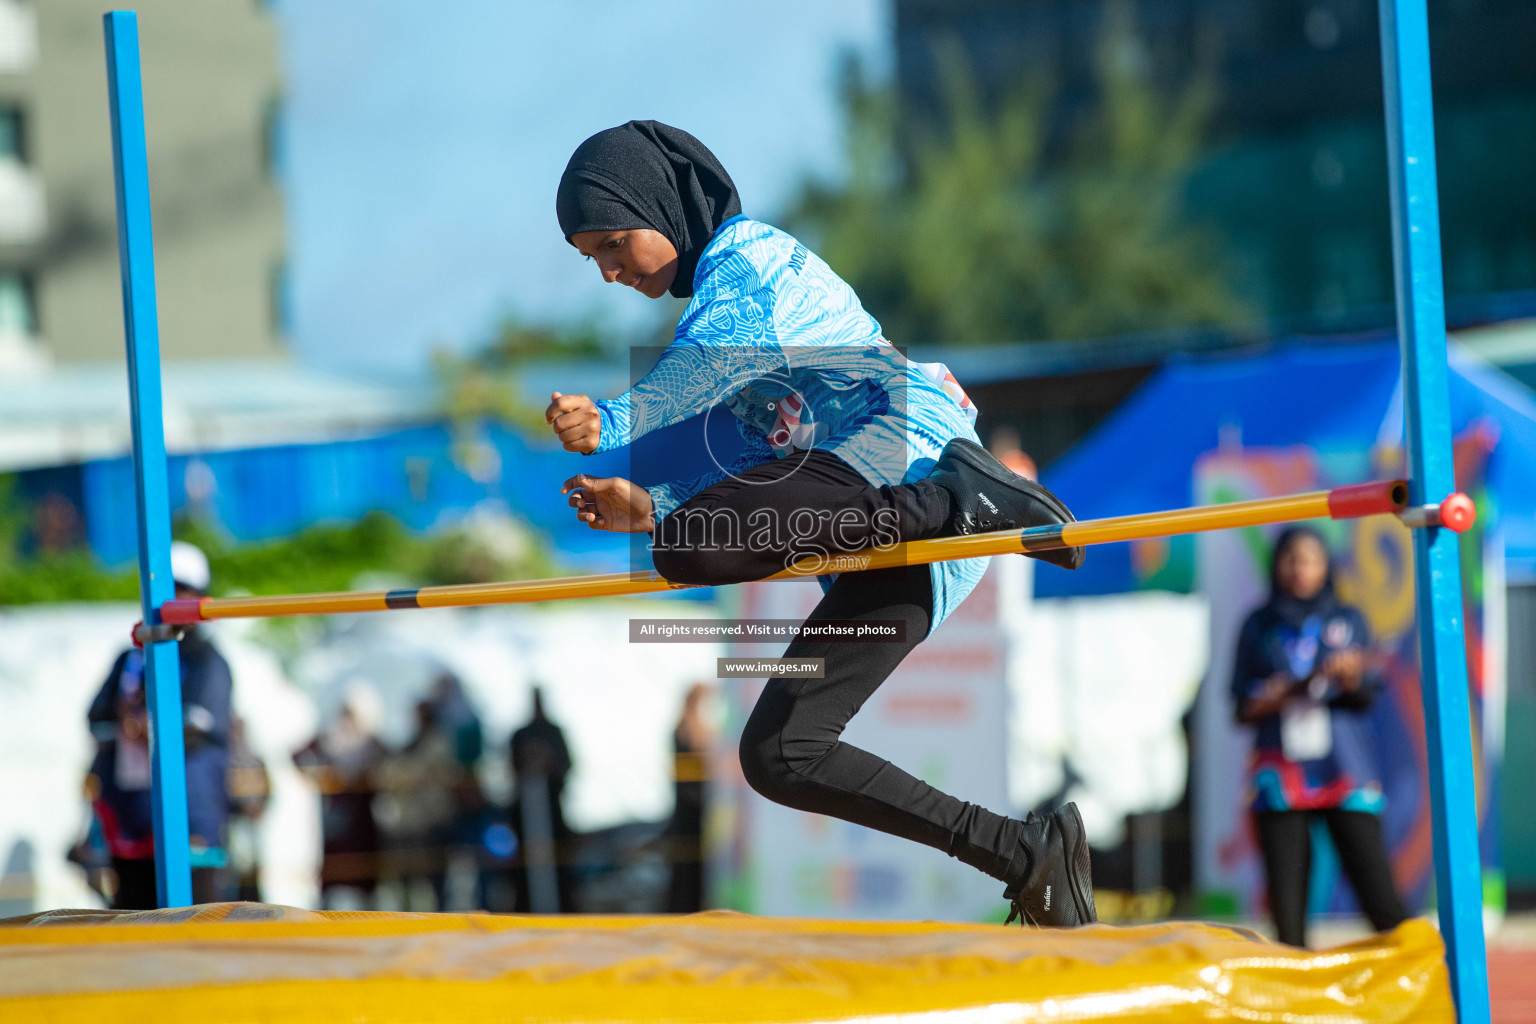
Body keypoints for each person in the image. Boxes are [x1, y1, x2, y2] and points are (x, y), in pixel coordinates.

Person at [545, 121, 1095, 926]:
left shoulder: (751, 260)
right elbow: (737, 486)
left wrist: (615, 421)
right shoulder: (724, 331)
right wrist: (651, 508)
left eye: (615, 242)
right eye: (592, 258)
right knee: (781, 754)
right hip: (895, 537)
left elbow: (710, 356)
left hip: (909, 446)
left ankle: (961, 500)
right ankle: (1026, 854)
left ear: (662, 205)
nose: (610, 270)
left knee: (688, 547)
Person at [1231, 526, 1409, 947]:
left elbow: (1366, 698)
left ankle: (1417, 981)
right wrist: (1285, 691)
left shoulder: (1348, 620)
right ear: (1276, 564)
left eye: (1310, 558)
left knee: (1378, 892)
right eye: (1290, 558)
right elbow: (1240, 706)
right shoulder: (1258, 625)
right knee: (1287, 908)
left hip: (1344, 770)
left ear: (1326, 564)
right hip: (1280, 777)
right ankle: (1297, 1001)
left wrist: (1348, 680)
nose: (1299, 569)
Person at [86, 541, 232, 908]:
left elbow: (198, 727)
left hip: (189, 817)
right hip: (130, 814)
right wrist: (124, 725)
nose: (166, 600)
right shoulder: (129, 659)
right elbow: (96, 717)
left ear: (197, 596)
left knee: (195, 926)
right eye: (160, 590)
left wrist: (147, 728)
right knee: (130, 923)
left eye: (180, 590)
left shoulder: (208, 662)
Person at [293, 683, 388, 907]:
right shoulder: (330, 738)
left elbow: (391, 763)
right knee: (332, 876)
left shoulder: (372, 742)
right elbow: (297, 755)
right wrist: (318, 777)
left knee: (365, 879)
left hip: (363, 822)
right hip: (336, 821)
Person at [509, 687, 575, 912]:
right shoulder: (520, 734)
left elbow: (567, 765)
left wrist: (547, 764)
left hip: (552, 810)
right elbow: (512, 768)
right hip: (526, 812)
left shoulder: (554, 731)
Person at [665, 683, 713, 913]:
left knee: (690, 878)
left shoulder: (690, 728)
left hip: (692, 813)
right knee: (688, 878)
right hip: (692, 814)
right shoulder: (688, 729)